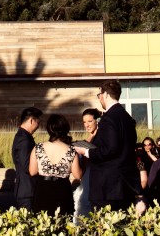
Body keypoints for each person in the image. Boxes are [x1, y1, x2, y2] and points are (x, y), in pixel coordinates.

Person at [74, 80, 141, 212]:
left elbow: (109, 149)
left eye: (99, 95)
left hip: (108, 187)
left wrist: (86, 151)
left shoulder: (109, 118)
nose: (99, 99)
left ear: (105, 94)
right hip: (125, 183)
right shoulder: (127, 117)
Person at [29, 113, 82, 215]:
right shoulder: (71, 150)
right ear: (64, 129)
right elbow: (78, 175)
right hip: (62, 190)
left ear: (49, 129)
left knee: (41, 225)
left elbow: (32, 171)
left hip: (43, 190)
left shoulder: (38, 148)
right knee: (63, 224)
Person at [74, 108, 101, 222]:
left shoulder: (100, 138)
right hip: (85, 176)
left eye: (89, 121)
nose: (87, 125)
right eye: (84, 122)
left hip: (95, 175)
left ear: (97, 121)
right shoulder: (89, 138)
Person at [13, 106, 42, 209]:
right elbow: (26, 166)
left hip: (26, 190)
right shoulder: (24, 139)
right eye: (38, 123)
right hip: (27, 192)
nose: (38, 127)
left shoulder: (23, 136)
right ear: (31, 120)